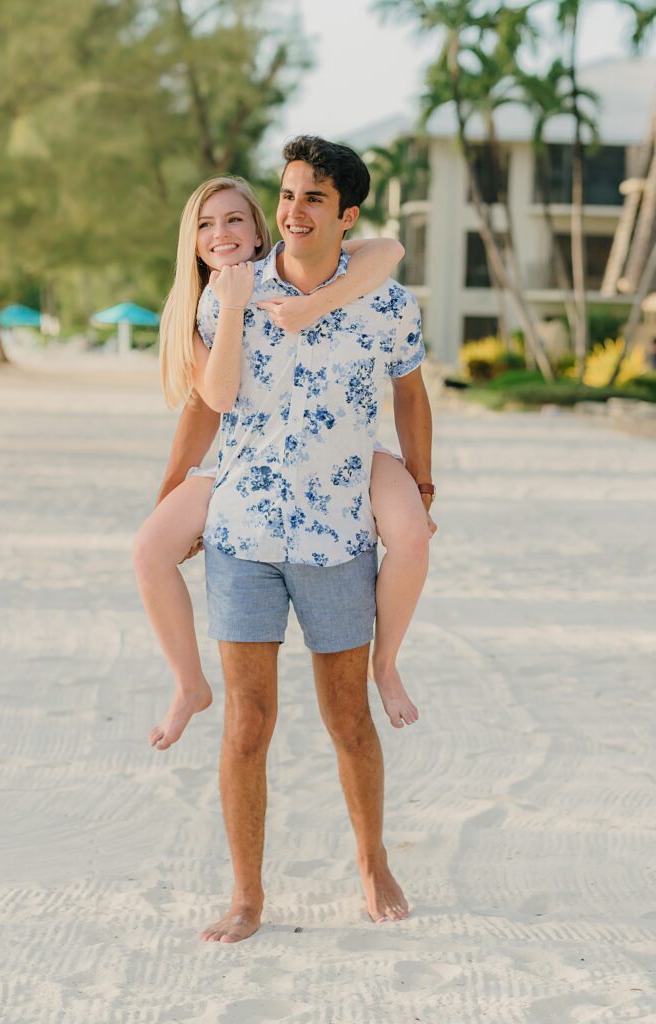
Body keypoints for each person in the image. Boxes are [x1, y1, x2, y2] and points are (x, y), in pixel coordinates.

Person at [151, 136, 435, 942]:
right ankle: (246, 894)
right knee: (248, 721)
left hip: (339, 537)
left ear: (346, 214)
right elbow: (206, 402)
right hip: (244, 533)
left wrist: (420, 484)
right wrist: (173, 489)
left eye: (313, 198)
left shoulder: (386, 301)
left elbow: (410, 397)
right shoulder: (229, 291)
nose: (291, 211)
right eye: (285, 195)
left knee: (349, 720)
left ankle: (372, 859)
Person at [133, 175, 435, 753]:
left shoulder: (304, 260)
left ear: (258, 227)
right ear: (190, 240)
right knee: (148, 551)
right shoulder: (199, 307)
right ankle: (188, 685)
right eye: (204, 223)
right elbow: (211, 403)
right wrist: (171, 492)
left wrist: (316, 304)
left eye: (233, 220)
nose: (220, 233)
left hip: (340, 454)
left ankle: (387, 663)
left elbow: (389, 250)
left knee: (412, 536)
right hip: (246, 465)